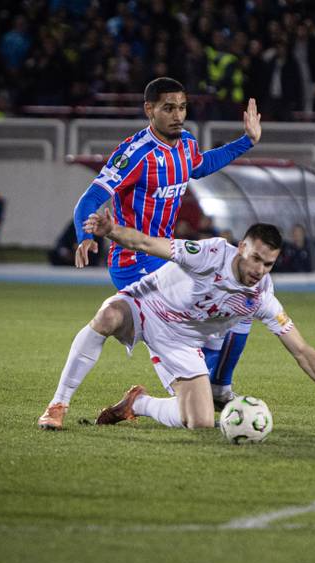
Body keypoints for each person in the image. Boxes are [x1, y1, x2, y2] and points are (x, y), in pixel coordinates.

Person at [41, 212, 315, 432]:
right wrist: (112, 231)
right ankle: (58, 404)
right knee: (107, 316)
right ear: (241, 248)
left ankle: (137, 404)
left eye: (269, 265)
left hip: (180, 342)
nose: (259, 270)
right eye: (256, 259)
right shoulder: (210, 254)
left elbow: (303, 352)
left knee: (201, 422)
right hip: (147, 305)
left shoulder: (261, 296)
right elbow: (150, 244)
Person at [59, 77, 262, 429]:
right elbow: (90, 199)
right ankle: (61, 402)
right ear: (149, 110)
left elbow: (201, 164)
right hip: (134, 264)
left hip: (167, 260)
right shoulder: (134, 153)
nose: (178, 115)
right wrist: (84, 235)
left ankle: (200, 389)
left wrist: (247, 142)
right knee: (188, 329)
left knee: (236, 303)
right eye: (169, 107)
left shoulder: (185, 145)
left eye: (182, 107)